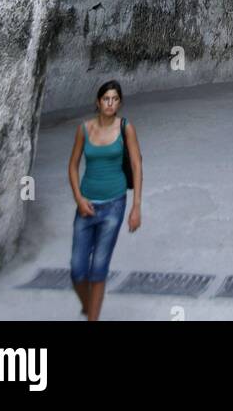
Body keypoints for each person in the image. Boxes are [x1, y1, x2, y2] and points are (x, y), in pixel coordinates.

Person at [68, 79, 142, 321]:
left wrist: (136, 207)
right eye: (106, 99)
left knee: (98, 269)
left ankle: (93, 317)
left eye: (115, 99)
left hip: (114, 205)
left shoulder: (125, 128)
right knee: (78, 271)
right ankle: (89, 307)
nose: (111, 103)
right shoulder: (84, 129)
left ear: (119, 103)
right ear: (98, 102)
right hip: (86, 204)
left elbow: (136, 164)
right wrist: (78, 198)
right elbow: (73, 165)